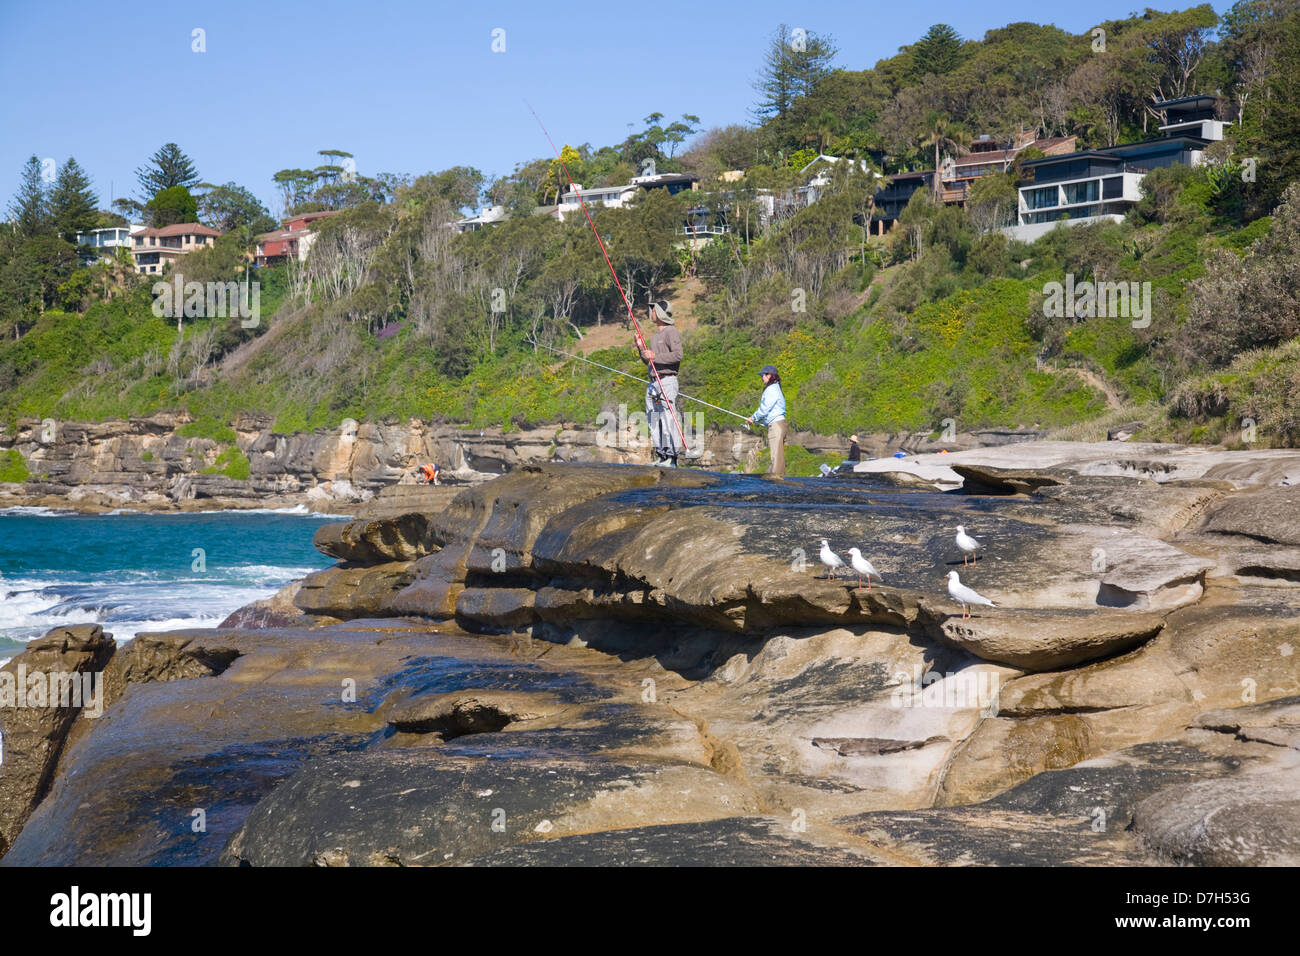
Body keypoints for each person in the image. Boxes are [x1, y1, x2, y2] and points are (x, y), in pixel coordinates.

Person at [638, 299, 683, 467]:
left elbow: (678, 355)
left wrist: (655, 356)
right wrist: (640, 348)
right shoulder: (655, 336)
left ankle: (673, 457)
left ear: (661, 313)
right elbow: (649, 362)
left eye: (653, 310)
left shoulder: (671, 332)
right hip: (654, 384)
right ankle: (662, 455)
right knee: (655, 417)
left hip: (667, 382)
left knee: (668, 416)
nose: (651, 313)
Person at [746, 364, 787, 477]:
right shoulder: (776, 388)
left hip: (777, 426)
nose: (762, 378)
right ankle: (777, 477)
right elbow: (771, 411)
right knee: (776, 454)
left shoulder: (772, 389)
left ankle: (777, 479)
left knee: (777, 455)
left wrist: (753, 418)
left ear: (770, 375)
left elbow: (765, 408)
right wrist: (761, 421)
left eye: (763, 375)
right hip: (778, 424)